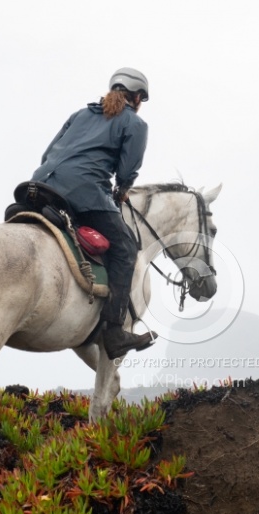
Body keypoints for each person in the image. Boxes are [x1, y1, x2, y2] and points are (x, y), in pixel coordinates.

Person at [31, 67, 156, 360]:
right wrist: (122, 190)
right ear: (137, 97)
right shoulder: (135, 124)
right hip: (83, 191)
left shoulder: (80, 114)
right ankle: (114, 331)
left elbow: (47, 154)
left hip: (40, 184)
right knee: (126, 249)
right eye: (141, 99)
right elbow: (126, 171)